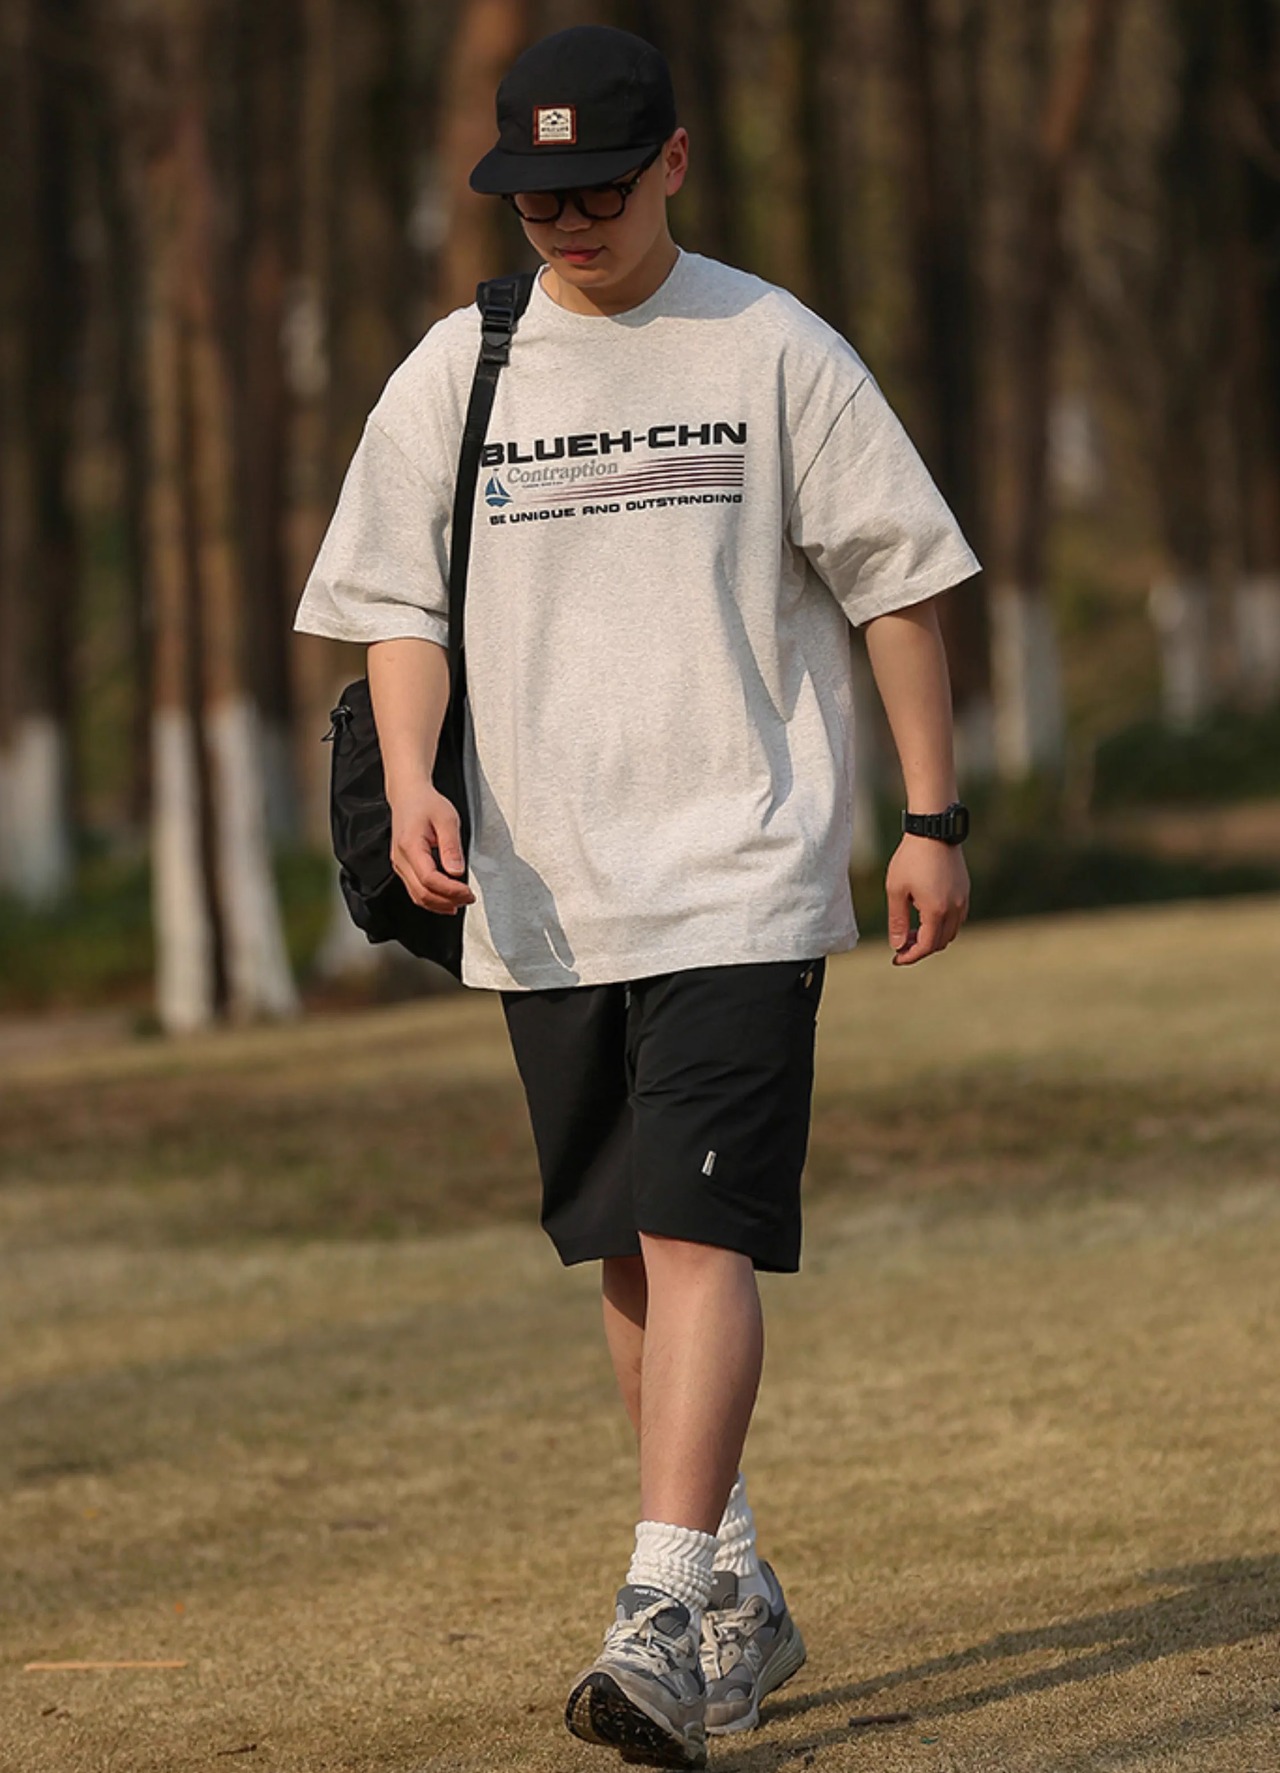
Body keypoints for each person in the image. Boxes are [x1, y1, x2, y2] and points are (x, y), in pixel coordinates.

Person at [295, 23, 978, 1769]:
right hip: (543, 893)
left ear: (674, 160)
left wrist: (931, 813)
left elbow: (897, 580)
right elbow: (394, 606)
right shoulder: (461, 366)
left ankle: (661, 1611)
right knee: (627, 1247)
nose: (571, 223)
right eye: (538, 201)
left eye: (600, 187)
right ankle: (733, 1582)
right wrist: (417, 772)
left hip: (742, 870)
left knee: (697, 1230)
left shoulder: (773, 345)